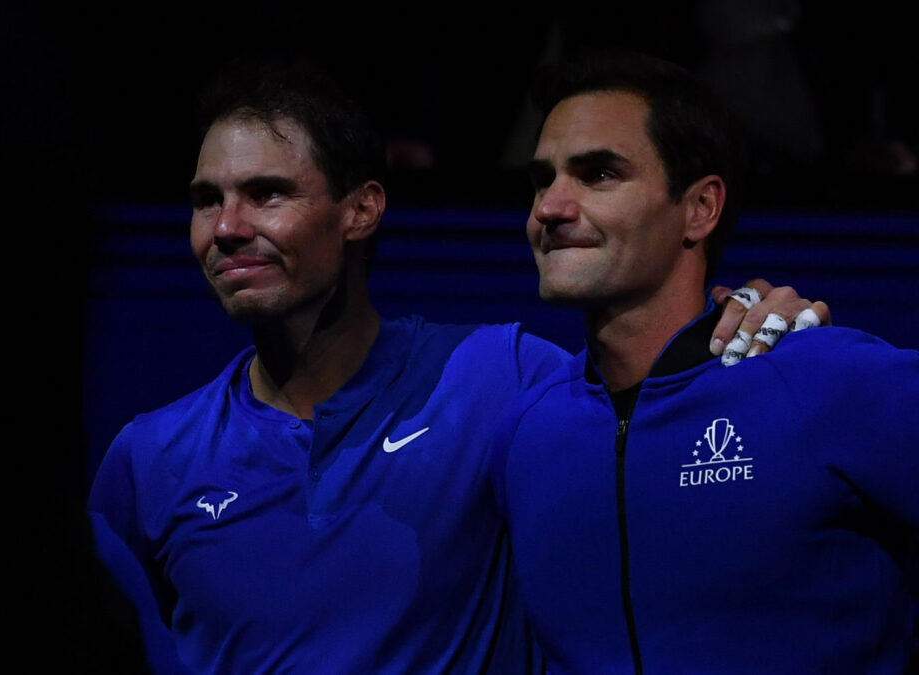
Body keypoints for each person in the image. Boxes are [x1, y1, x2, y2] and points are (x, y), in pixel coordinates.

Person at [88, 55, 825, 674]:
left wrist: (748, 307)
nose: (226, 228)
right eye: (204, 200)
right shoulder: (145, 461)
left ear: (362, 210)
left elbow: (655, 386)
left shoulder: (502, 377)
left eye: (266, 194)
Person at [489, 49, 919, 673]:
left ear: (700, 209)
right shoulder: (524, 432)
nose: (549, 208)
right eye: (542, 179)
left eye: (599, 174)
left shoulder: (825, 379)